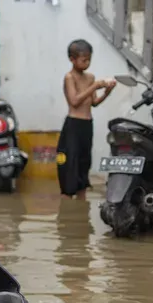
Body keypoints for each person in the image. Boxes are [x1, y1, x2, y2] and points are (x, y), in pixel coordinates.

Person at [57, 39, 116, 199]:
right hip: (73, 125)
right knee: (70, 163)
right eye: (84, 60)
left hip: (87, 124)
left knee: (84, 162)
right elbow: (74, 101)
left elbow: (94, 102)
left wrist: (107, 91)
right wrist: (95, 86)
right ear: (72, 59)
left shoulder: (90, 77)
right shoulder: (70, 77)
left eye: (89, 60)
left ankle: (82, 201)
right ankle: (67, 201)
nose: (87, 63)